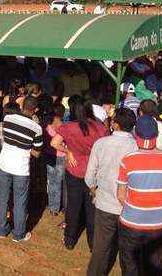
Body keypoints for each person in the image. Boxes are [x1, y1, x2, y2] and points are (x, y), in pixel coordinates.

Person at [116, 115, 162, 276]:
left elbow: (120, 194)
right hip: (157, 224)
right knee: (154, 266)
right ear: (157, 135)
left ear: (136, 134)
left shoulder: (128, 160)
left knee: (130, 266)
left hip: (131, 223)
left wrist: (135, 208)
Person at [51, 95, 108, 250]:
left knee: (73, 206)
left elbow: (54, 142)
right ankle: (93, 244)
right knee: (92, 209)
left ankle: (69, 240)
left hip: (74, 170)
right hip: (94, 173)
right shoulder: (100, 128)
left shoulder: (68, 127)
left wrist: (68, 150)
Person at [85, 108, 138, 276]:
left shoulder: (101, 143)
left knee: (100, 248)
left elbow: (89, 175)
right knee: (129, 250)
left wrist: (94, 191)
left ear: (115, 124)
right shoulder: (136, 147)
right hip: (128, 205)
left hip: (104, 203)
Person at [0, 96, 43, 242]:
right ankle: (19, 234)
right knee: (20, 202)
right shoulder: (37, 128)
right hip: (21, 169)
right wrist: (26, 148)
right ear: (36, 110)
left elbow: (7, 138)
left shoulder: (8, 118)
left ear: (22, 105)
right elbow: (37, 153)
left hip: (4, 164)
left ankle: (2, 230)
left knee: (2, 199)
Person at [45, 103, 66, 216]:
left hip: (49, 156)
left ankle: (53, 207)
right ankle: (59, 206)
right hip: (61, 156)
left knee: (52, 182)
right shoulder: (63, 126)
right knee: (60, 183)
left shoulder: (47, 126)